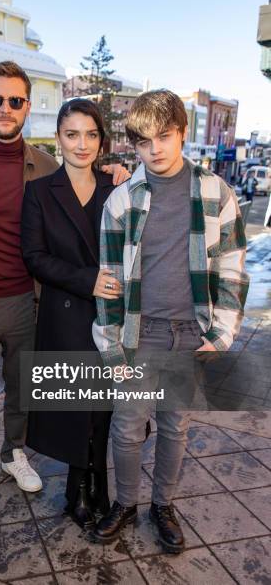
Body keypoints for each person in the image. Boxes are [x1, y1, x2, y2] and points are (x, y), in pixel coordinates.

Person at [0, 61, 129, 532]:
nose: (6, 109)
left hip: (31, 303)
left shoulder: (44, 162)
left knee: (23, 390)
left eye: (16, 101)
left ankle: (13, 454)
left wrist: (115, 172)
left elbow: (82, 183)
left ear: (28, 107)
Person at [92, 89, 249, 552]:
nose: (155, 149)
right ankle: (126, 504)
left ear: (182, 132)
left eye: (164, 136)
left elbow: (232, 267)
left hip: (187, 336)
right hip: (140, 336)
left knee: (175, 426)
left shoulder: (215, 192)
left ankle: (164, 504)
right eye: (144, 141)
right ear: (134, 145)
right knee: (125, 427)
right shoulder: (121, 201)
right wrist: (113, 347)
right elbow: (110, 280)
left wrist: (220, 334)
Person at [21, 99, 125, 529]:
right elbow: (34, 257)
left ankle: (99, 482)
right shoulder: (40, 192)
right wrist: (87, 280)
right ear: (59, 138)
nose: (82, 144)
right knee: (76, 405)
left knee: (104, 408)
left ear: (102, 140)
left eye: (91, 134)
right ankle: (77, 489)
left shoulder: (118, 188)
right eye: (72, 134)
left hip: (110, 315)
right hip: (66, 313)